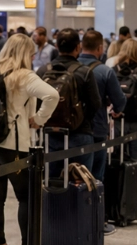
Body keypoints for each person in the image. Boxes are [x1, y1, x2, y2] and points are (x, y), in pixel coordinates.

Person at [0, 33, 60, 245]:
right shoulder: (24, 76)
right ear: (26, 53)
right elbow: (52, 95)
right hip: (13, 146)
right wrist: (39, 119)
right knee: (26, 197)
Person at [40, 30, 102, 182]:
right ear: (78, 47)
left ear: (56, 46)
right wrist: (80, 119)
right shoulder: (84, 72)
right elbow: (95, 104)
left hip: (51, 135)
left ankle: (53, 207)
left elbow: (36, 103)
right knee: (81, 183)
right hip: (80, 134)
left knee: (51, 183)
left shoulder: (43, 71)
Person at [78, 31, 126, 192]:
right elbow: (119, 101)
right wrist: (117, 110)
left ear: (81, 46)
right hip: (96, 129)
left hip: (69, 131)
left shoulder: (71, 68)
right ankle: (92, 215)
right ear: (100, 48)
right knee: (94, 178)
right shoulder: (105, 71)